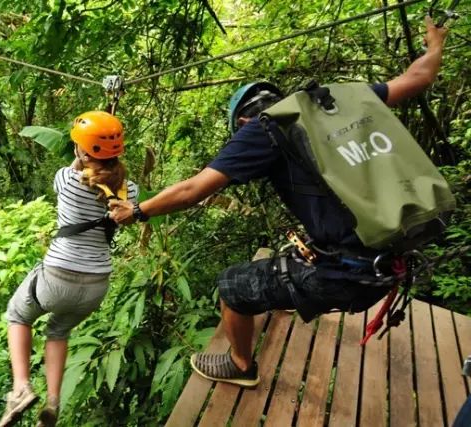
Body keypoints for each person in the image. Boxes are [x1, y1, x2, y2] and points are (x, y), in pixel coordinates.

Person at [108, 17, 448, 386]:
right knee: (295, 251)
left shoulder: (263, 129)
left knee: (231, 287)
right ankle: (287, 292)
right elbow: (418, 79)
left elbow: (194, 190)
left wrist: (137, 210)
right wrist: (435, 44)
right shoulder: (333, 103)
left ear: (242, 119)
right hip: (396, 258)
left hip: (348, 277)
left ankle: (241, 366)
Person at [0, 111, 138, 427]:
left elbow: (78, 169)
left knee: (18, 315)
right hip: (95, 287)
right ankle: (53, 402)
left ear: (81, 150)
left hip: (58, 277)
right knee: (58, 331)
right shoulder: (131, 193)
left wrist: (85, 153)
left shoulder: (66, 179)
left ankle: (21, 387)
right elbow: (112, 183)